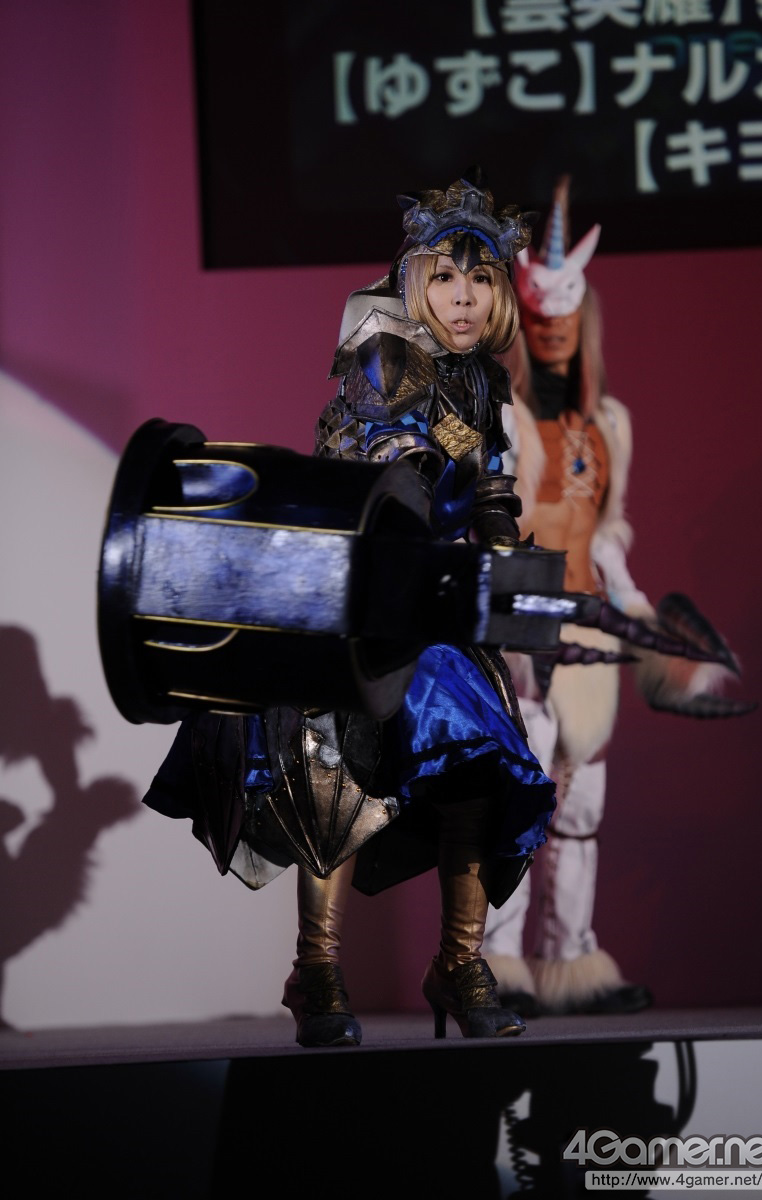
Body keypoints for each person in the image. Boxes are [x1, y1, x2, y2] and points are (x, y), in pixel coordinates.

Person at [144, 172, 557, 1046]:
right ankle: (318, 973)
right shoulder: (384, 352)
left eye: (482, 279)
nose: (464, 296)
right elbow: (389, 470)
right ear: (414, 280)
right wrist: (448, 510)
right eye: (447, 276)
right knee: (331, 777)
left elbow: (490, 488)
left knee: (479, 767)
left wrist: (503, 553)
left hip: (432, 606)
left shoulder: (483, 381)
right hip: (347, 603)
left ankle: (459, 962)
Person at [482, 178, 751, 1017]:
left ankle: (570, 962)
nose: (553, 334)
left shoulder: (607, 428)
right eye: (541, 323)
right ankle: (494, 964)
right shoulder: (496, 424)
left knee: (581, 806)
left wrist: (643, 622)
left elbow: (604, 537)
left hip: (590, 630)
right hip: (518, 631)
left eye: (565, 323)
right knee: (516, 798)